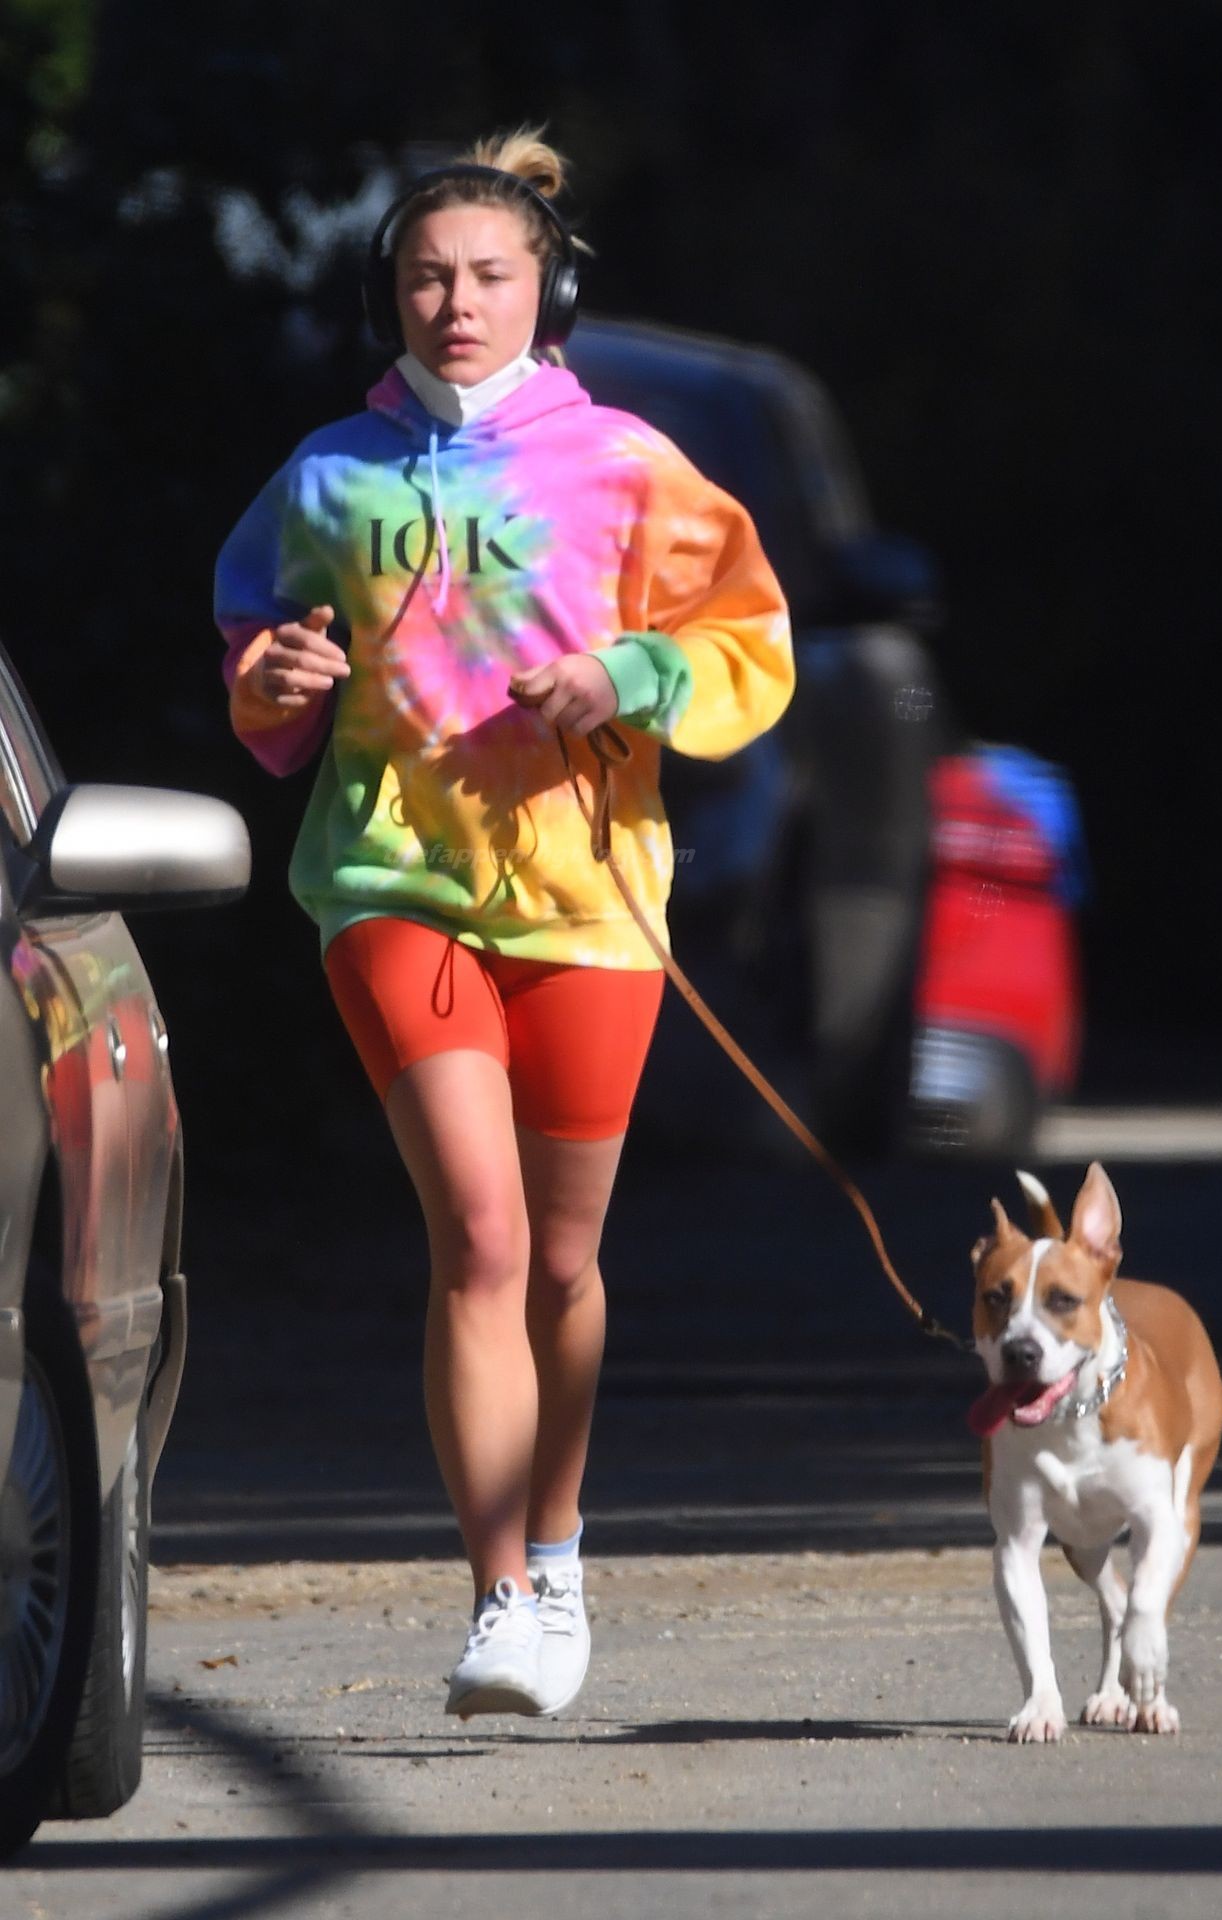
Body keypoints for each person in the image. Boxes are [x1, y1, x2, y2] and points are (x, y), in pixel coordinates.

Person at [214, 129, 794, 1720]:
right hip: (389, 882)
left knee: (560, 1257)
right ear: (387, 296)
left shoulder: (628, 465)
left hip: (587, 899)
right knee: (475, 1235)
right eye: (425, 278)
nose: (455, 304)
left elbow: (747, 637)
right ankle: (499, 1599)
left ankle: (561, 1545)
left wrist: (627, 674)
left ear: (550, 293)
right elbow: (256, 646)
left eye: (485, 276)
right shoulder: (328, 474)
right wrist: (270, 679)